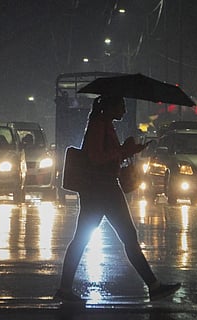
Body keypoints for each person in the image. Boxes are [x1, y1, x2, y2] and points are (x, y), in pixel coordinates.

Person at [55, 96, 181, 303]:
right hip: (102, 189)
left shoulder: (104, 125)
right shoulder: (98, 125)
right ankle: (154, 287)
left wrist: (129, 151)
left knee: (88, 237)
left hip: (101, 188)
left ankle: (65, 288)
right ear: (110, 107)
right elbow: (95, 157)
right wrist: (123, 150)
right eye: (121, 105)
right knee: (124, 236)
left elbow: (106, 155)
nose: (124, 110)